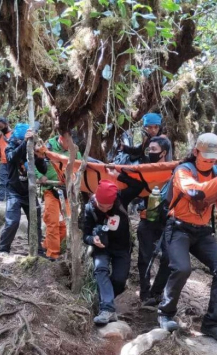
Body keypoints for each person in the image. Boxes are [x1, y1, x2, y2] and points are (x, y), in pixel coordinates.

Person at [157, 133, 217, 345]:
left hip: (202, 232)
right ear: (195, 152)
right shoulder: (183, 171)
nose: (210, 160)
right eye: (205, 155)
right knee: (182, 268)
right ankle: (165, 312)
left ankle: (213, 323)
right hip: (179, 228)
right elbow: (196, 192)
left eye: (213, 156)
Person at [83, 177, 145, 325]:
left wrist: (119, 174)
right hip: (101, 247)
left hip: (122, 248)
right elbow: (85, 234)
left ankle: (105, 301)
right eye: (101, 205)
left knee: (119, 280)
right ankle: (107, 309)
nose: (104, 209)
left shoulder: (121, 198)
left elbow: (139, 185)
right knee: (100, 269)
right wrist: (92, 240)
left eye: (108, 206)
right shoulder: (90, 207)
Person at [0, 123, 46, 255]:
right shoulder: (10, 147)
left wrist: (40, 157)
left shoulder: (32, 149)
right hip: (14, 191)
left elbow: (43, 169)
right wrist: (24, 143)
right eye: (20, 140)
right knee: (13, 221)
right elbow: (12, 157)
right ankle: (3, 248)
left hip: (29, 192)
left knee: (35, 221)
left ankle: (36, 250)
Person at [136, 136, 172, 306]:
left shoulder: (174, 171)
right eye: (149, 149)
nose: (150, 153)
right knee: (145, 257)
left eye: (154, 150)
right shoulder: (144, 169)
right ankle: (144, 294)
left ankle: (157, 292)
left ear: (164, 153)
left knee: (169, 257)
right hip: (146, 219)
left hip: (167, 221)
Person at [37, 132, 81, 260]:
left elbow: (80, 168)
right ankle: (52, 253)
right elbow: (34, 162)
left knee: (65, 225)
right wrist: (40, 176)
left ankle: (47, 244)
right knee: (52, 221)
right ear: (62, 139)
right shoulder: (48, 147)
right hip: (51, 189)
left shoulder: (75, 151)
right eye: (68, 142)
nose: (70, 145)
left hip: (67, 192)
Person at [0, 117, 12, 202]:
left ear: (6, 124)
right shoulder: (0, 136)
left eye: (1, 127)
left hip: (12, 163)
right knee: (1, 182)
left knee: (11, 183)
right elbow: (0, 154)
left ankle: (10, 200)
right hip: (3, 163)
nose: (0, 129)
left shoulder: (14, 134)